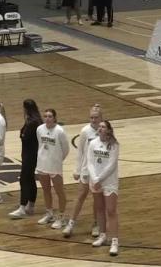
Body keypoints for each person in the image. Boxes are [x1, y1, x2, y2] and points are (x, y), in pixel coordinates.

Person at [63, 104, 102, 238]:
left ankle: (96, 224)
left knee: (97, 199)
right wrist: (77, 170)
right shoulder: (85, 131)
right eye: (91, 117)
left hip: (99, 171)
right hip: (86, 169)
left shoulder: (105, 130)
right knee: (80, 196)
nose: (93, 120)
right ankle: (71, 224)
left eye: (96, 117)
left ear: (101, 118)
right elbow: (80, 152)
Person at [88, 120, 120, 257]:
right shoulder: (93, 143)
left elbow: (111, 165)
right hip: (95, 181)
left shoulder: (114, 145)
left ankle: (114, 241)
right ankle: (102, 235)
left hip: (109, 182)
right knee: (99, 209)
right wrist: (94, 179)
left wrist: (99, 179)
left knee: (111, 210)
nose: (100, 128)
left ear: (108, 130)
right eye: (99, 126)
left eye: (103, 127)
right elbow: (89, 162)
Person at [35, 108, 70, 229]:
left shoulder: (60, 131)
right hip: (42, 164)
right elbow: (40, 145)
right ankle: (49, 213)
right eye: (45, 116)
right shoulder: (39, 129)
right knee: (46, 190)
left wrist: (58, 160)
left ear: (54, 118)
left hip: (55, 166)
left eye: (50, 116)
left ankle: (62, 217)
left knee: (59, 191)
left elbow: (66, 149)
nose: (47, 118)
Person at [9, 99, 42, 219]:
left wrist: (22, 134)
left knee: (24, 179)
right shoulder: (35, 120)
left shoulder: (32, 122)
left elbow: (24, 136)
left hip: (30, 154)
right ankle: (30, 205)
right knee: (30, 179)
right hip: (30, 153)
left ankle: (22, 207)